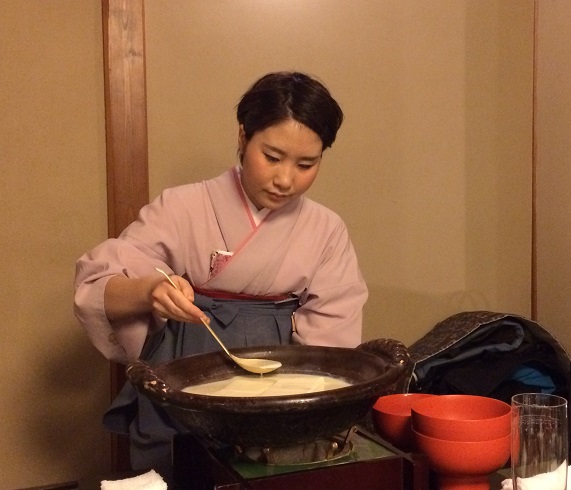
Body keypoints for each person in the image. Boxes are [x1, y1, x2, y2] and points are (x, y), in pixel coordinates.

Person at [74, 71, 368, 476]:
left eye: (306, 164)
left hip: (277, 396)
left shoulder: (326, 229)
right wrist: (151, 291)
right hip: (178, 382)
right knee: (173, 474)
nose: (285, 179)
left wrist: (301, 413)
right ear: (243, 137)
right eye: (272, 156)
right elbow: (99, 286)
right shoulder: (182, 206)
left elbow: (331, 345)